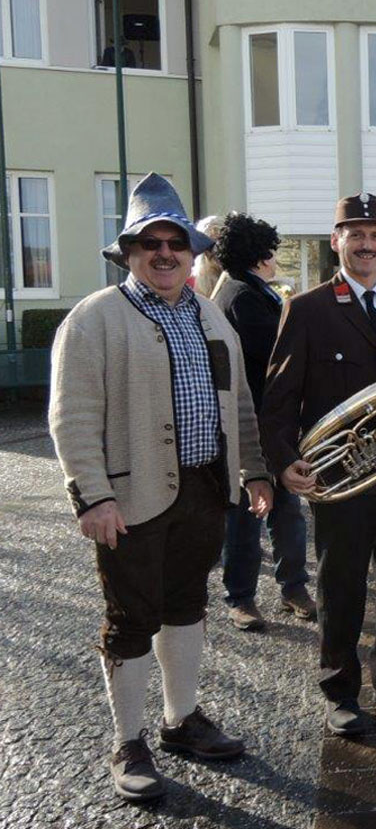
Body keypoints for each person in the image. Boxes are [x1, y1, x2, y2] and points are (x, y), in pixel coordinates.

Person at [48, 173, 273, 802]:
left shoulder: (210, 316)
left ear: (194, 253)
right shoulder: (93, 320)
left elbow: (241, 404)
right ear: (129, 252)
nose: (166, 253)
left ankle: (181, 721)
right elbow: (71, 416)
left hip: (205, 489)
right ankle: (129, 740)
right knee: (130, 618)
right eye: (152, 244)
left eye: (177, 242)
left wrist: (253, 468)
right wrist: (92, 496)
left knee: (186, 605)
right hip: (130, 498)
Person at [260, 193, 376, 736]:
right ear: (336, 240)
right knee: (341, 585)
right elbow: (278, 398)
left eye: (375, 235)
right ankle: (339, 688)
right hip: (340, 476)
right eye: (355, 234)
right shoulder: (309, 307)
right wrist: (285, 459)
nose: (367, 245)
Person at [210, 212, 315, 631]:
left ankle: (293, 587)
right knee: (247, 515)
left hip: (270, 419)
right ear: (258, 256)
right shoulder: (240, 295)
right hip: (250, 421)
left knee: (287, 509)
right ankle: (241, 597)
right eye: (270, 253)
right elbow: (277, 351)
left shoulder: (250, 290)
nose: (274, 261)